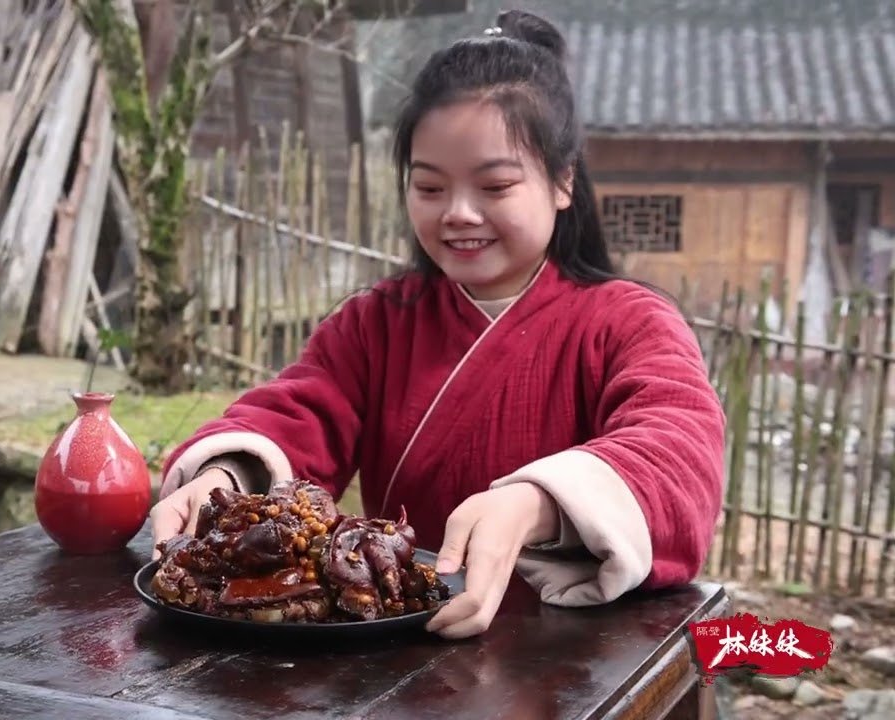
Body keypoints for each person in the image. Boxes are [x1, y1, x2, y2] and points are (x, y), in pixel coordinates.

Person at [149, 9, 726, 640]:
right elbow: (298, 413)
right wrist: (224, 481)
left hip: (570, 663)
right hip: (396, 653)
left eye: (496, 185)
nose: (458, 213)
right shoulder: (375, 325)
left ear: (563, 181)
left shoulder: (629, 323)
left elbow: (678, 448)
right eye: (429, 188)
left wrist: (535, 504)